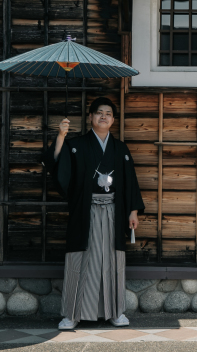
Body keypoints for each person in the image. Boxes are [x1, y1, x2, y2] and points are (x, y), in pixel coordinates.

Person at [42, 96, 144, 330]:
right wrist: (61, 136)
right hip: (84, 211)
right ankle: (71, 314)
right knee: (80, 259)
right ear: (90, 116)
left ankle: (115, 312)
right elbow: (55, 165)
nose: (104, 116)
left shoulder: (120, 149)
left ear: (113, 119)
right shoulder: (76, 145)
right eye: (99, 112)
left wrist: (133, 211)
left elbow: (131, 183)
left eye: (108, 113)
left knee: (112, 260)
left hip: (114, 211)